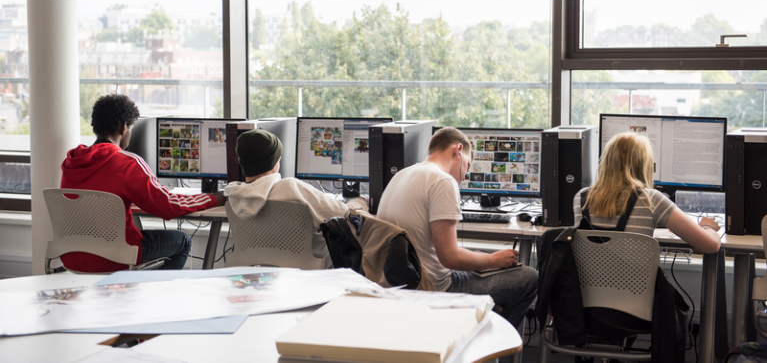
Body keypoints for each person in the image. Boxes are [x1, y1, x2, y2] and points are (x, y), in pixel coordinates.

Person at [377, 127, 538, 330]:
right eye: (467, 166)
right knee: (529, 278)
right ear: (458, 150)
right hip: (433, 288)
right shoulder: (443, 181)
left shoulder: (401, 175)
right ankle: (485, 346)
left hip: (397, 284)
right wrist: (492, 260)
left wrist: (481, 259)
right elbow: (450, 258)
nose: (464, 177)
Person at [60, 94, 226, 272]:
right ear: (124, 127)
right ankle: (147, 295)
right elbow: (167, 206)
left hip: (72, 255)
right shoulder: (127, 163)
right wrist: (213, 198)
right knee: (182, 241)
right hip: (113, 257)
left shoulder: (73, 162)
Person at [224, 129, 369, 264]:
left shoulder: (233, 195)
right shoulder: (291, 188)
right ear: (274, 161)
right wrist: (361, 201)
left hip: (256, 271)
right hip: (307, 268)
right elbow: (344, 215)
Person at [573, 132, 721, 253]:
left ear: (606, 161)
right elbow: (711, 246)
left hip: (588, 289)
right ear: (644, 164)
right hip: (636, 289)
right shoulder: (650, 199)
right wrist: (707, 227)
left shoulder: (581, 198)